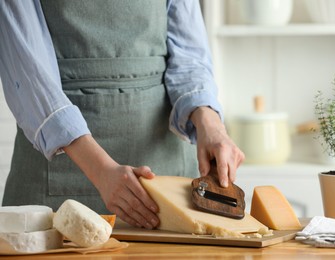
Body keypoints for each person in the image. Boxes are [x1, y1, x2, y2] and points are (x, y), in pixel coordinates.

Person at [0, 0, 244, 230]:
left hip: (166, 169)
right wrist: (100, 170)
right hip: (57, 174)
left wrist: (210, 124)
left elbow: (189, 55)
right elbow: (28, 75)